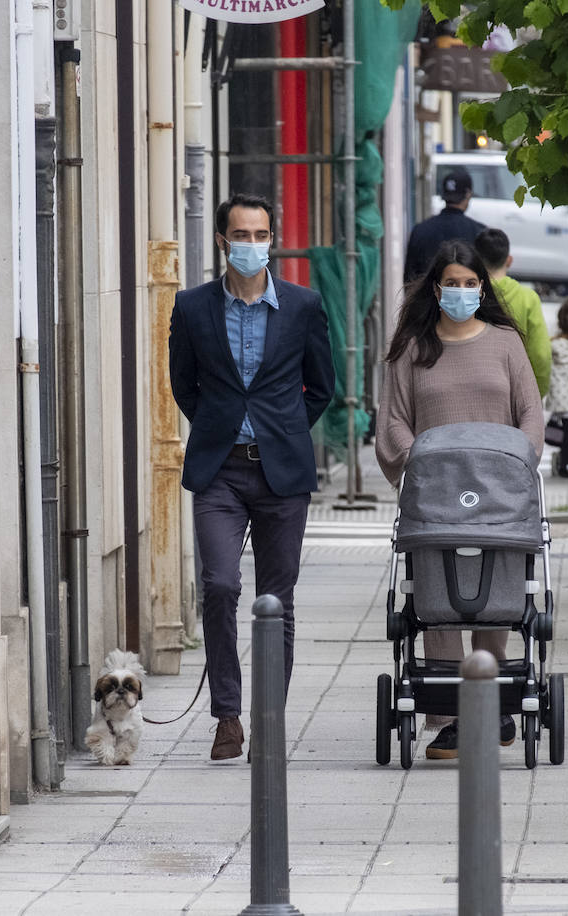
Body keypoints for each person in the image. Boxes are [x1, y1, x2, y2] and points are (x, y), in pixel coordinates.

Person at [168, 193, 335, 761]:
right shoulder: (192, 308)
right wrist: (219, 425)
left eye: (260, 234)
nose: (251, 244)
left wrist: (282, 428)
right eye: (240, 235)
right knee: (219, 586)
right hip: (219, 471)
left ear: (273, 239)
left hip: (281, 473)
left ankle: (268, 718)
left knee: (275, 599)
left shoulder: (304, 306)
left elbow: (322, 387)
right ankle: (227, 716)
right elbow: (182, 384)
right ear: (222, 240)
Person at [376, 240, 544, 760]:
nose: (463, 291)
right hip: (434, 496)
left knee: (495, 597)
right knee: (438, 600)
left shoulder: (504, 343)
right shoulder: (412, 349)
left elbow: (531, 414)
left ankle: (493, 701)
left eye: (472, 284)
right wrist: (419, 463)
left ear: (483, 288)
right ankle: (447, 714)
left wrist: (517, 463)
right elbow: (394, 419)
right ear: (436, 287)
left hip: (497, 494)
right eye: (454, 283)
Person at [474, 227, 551, 398]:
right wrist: (536, 393)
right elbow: (541, 354)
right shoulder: (527, 298)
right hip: (515, 392)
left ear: (476, 261)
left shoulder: (469, 295)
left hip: (474, 389)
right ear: (509, 260)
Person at [403, 169, 486, 286]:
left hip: (425, 300)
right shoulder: (479, 232)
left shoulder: (420, 229)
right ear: (468, 194)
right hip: (466, 301)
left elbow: (409, 278)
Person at [548, 297, 568, 477]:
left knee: (567, 433)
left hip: (561, 398)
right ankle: (567, 463)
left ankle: (565, 463)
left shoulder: (553, 344)